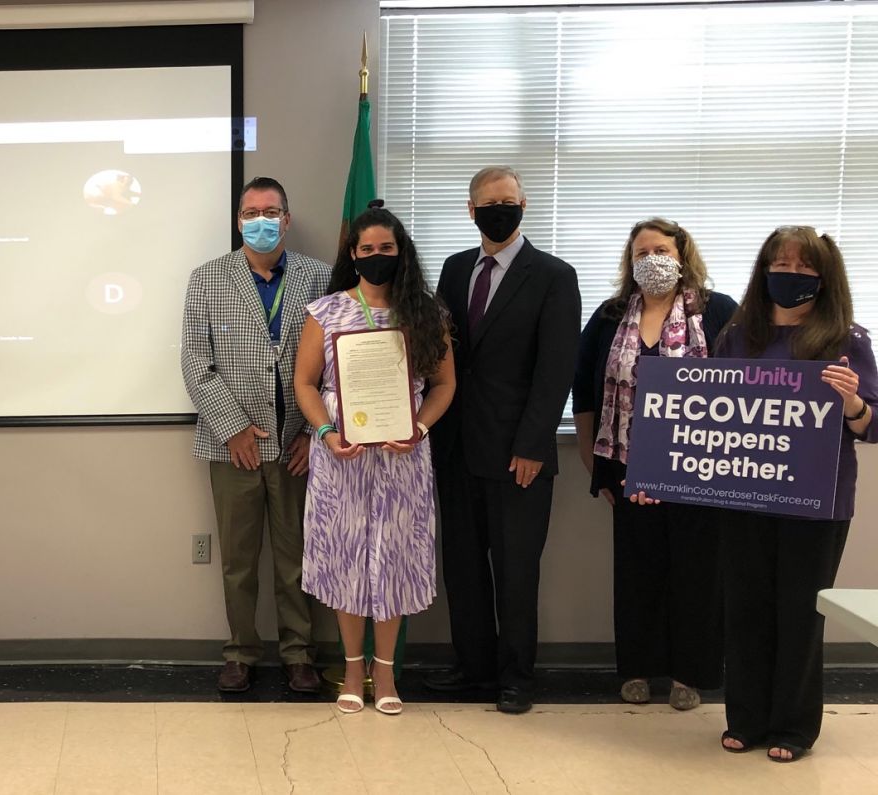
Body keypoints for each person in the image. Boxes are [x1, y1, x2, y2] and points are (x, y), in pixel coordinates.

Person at [710, 226, 873, 762]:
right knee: (746, 607)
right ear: (763, 270)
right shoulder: (737, 337)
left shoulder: (848, 340)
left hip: (818, 502)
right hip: (746, 494)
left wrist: (852, 404)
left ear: (824, 279)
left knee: (801, 612)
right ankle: (747, 718)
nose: (791, 275)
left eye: (805, 269)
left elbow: (873, 426)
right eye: (782, 264)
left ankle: (794, 727)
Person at [428, 166, 581, 715]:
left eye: (508, 201)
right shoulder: (452, 269)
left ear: (524, 204)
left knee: (517, 573)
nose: (499, 210)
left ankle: (517, 677)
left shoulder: (553, 275)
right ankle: (474, 670)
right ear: (470, 211)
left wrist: (534, 445)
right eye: (488, 203)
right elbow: (439, 355)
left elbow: (556, 369)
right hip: (455, 450)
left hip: (519, 454)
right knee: (464, 569)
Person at [293, 202, 455, 715]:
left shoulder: (427, 313)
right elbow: (304, 383)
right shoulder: (327, 311)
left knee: (396, 561)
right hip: (341, 456)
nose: (378, 256)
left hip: (403, 457)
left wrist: (420, 428)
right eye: (368, 249)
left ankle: (385, 675)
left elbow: (445, 384)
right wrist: (324, 431)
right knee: (346, 560)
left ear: (400, 252)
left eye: (387, 248)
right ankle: (351, 669)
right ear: (353, 254)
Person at [572, 219, 735, 710]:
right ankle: (637, 668)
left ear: (682, 254)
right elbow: (584, 389)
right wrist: (593, 464)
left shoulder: (719, 311)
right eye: (641, 253)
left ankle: (691, 673)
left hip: (698, 470)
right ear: (630, 262)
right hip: (626, 466)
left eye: (661, 250)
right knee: (638, 571)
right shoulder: (609, 315)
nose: (652, 260)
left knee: (697, 573)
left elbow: (743, 389)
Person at [180, 176, 330, 694]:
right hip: (232, 448)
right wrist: (233, 428)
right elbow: (196, 364)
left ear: (286, 219)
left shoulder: (320, 279)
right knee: (238, 563)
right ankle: (241, 652)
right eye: (250, 212)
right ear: (238, 220)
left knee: (297, 561)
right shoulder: (207, 279)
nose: (260, 221)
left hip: (297, 445)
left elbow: (333, 366)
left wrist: (316, 431)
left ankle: (298, 655)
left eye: (270, 211)